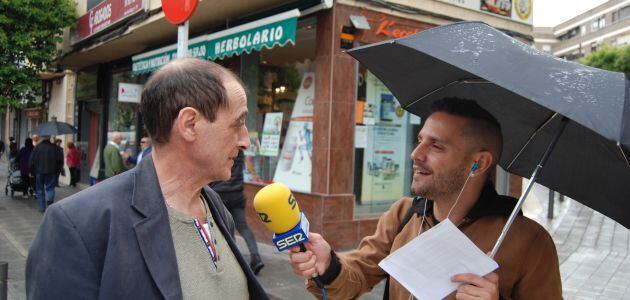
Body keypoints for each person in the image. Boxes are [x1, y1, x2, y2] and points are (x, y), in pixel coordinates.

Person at [26, 58, 268, 299]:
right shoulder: (79, 225)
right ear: (190, 124)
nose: (245, 140)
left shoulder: (215, 208)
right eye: (238, 123)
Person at [288, 98, 562, 299]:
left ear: (478, 163)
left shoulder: (529, 242)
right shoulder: (404, 214)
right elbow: (357, 274)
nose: (416, 154)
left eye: (436, 146)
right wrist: (328, 265)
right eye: (420, 140)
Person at [211, 150, 265, 275]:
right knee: (243, 227)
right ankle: (256, 257)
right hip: (237, 194)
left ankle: (234, 262)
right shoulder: (239, 152)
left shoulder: (221, 150)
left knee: (224, 229)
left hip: (220, 195)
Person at [28, 136, 63, 212]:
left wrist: (31, 171)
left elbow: (31, 160)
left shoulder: (37, 147)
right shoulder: (55, 148)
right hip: (52, 171)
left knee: (40, 190)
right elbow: (60, 161)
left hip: (39, 172)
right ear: (49, 137)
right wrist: (58, 171)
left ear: (42, 138)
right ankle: (49, 200)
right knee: (50, 188)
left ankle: (41, 208)